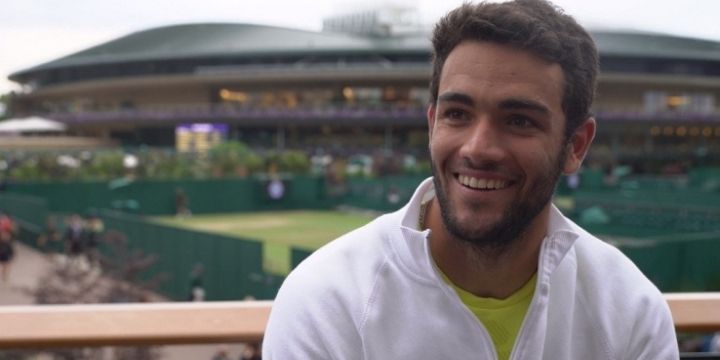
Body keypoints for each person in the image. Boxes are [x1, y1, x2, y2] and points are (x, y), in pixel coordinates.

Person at [263, 1, 678, 359]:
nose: (478, 149)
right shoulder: (325, 299)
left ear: (576, 146)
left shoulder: (631, 310)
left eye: (519, 121)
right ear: (432, 125)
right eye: (457, 114)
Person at [0, 212, 17, 282]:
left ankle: (5, 277)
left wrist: (13, 254)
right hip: (1, 251)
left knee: (6, 266)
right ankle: (4, 277)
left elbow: (12, 248)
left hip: (6, 252)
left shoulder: (9, 240)